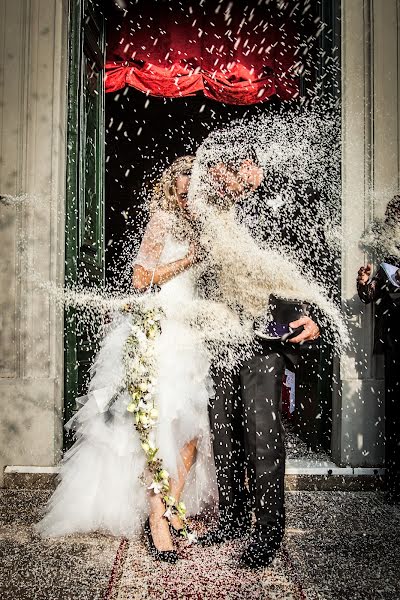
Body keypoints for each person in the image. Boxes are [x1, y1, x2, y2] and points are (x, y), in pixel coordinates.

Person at [36, 156, 218, 563]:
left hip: (193, 335)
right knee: (156, 427)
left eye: (197, 181)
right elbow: (140, 278)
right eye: (185, 180)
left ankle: (172, 507)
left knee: (190, 432)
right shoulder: (162, 222)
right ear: (173, 185)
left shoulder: (204, 226)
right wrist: (189, 259)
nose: (191, 188)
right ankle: (156, 519)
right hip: (162, 331)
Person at [196, 156, 321, 568]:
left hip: (263, 338)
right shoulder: (207, 211)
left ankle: (268, 530)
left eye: (226, 172)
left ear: (248, 168)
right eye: (215, 173)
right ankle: (232, 518)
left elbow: (303, 259)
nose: (219, 180)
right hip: (219, 336)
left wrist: (312, 315)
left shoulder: (276, 203)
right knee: (223, 433)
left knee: (261, 436)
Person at [357, 195, 400, 504]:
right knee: (395, 413)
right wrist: (362, 283)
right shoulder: (387, 258)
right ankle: (395, 484)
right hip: (395, 340)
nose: (393, 226)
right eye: (392, 220)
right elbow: (368, 297)